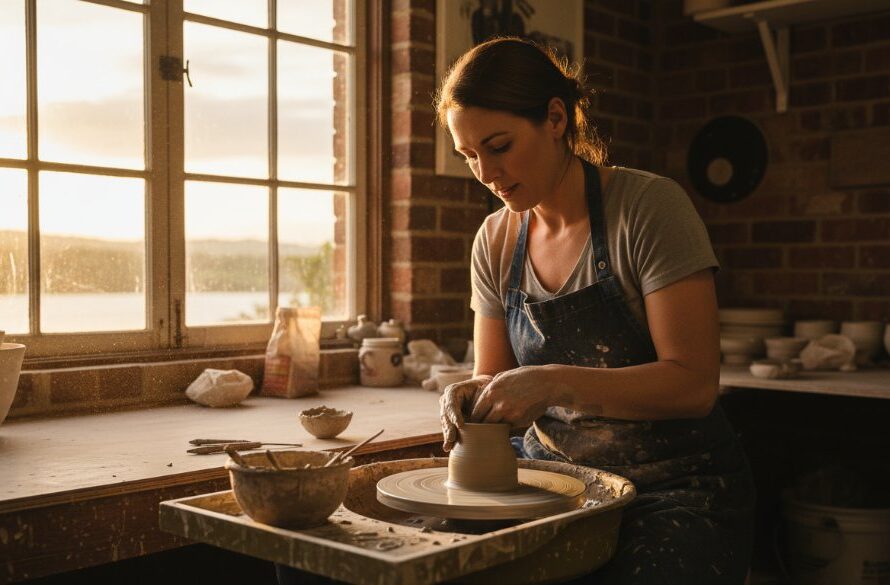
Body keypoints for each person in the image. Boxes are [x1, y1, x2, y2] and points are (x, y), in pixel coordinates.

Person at [435, 37, 755, 584]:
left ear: (555, 118)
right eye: (470, 156)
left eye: (500, 145)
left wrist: (555, 383)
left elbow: (695, 384)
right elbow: (492, 374)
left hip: (675, 486)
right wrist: (471, 393)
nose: (486, 172)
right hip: (555, 480)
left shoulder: (649, 208)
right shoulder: (494, 240)